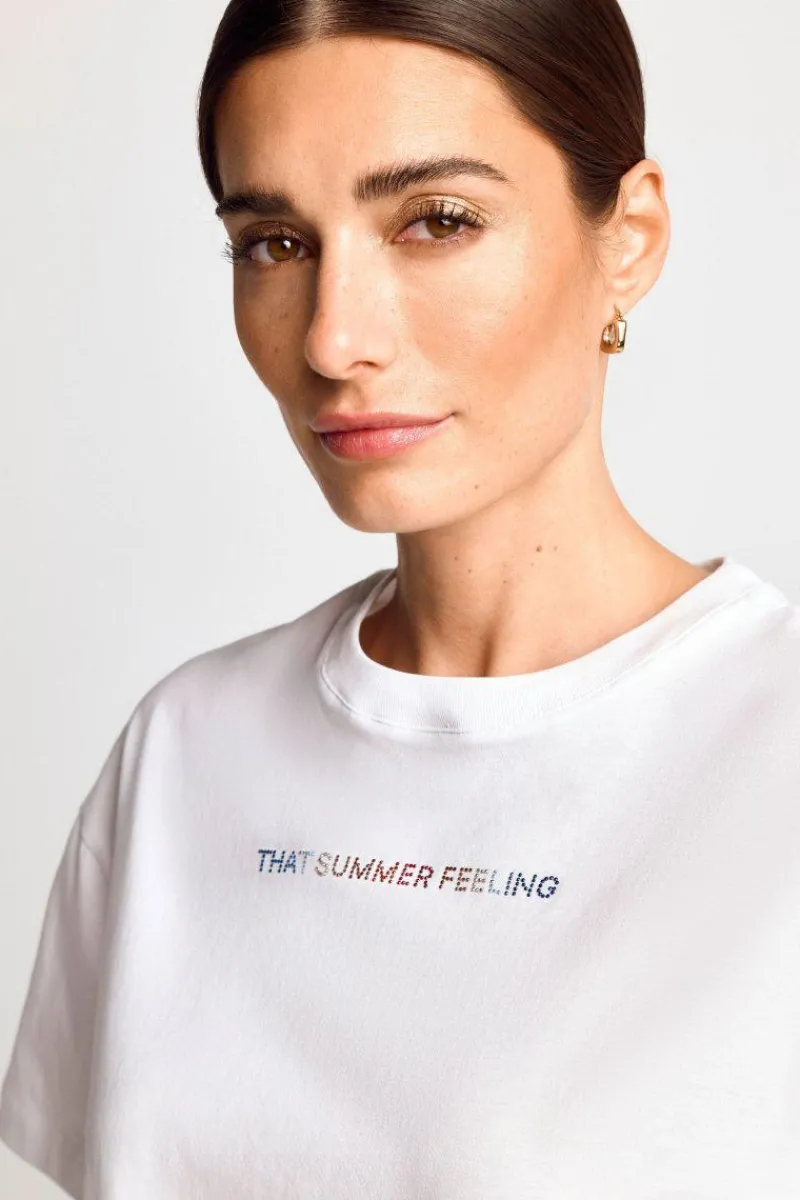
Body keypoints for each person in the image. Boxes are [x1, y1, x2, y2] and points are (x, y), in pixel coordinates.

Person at [2, 0, 798, 1196]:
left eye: (436, 221)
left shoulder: (771, 752)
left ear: (627, 240)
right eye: (274, 243)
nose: (332, 339)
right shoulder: (185, 747)